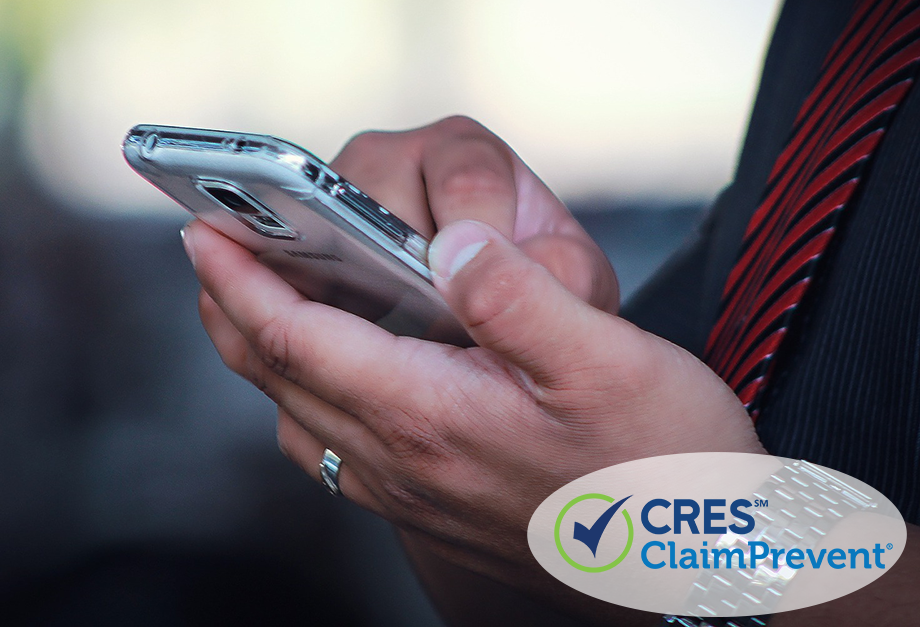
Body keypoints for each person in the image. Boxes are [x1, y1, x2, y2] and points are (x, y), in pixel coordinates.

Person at [183, 0, 920, 624]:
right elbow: (540, 594)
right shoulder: (834, 26)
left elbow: (643, 547)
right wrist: (441, 410)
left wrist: (691, 545)